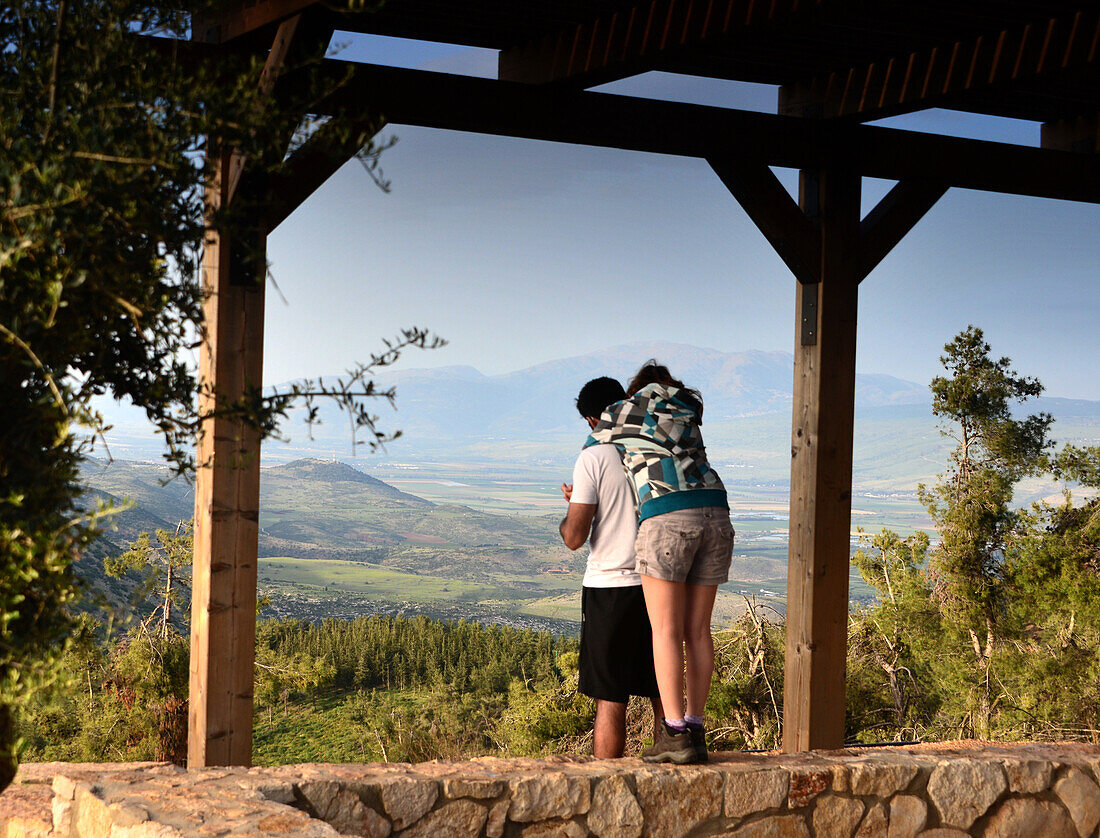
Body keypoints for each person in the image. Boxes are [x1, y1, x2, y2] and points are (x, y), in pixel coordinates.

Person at [585, 361, 734, 764]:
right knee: (698, 630)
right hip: (716, 513)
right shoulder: (687, 409)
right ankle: (696, 728)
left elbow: (594, 441)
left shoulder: (624, 409)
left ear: (635, 389)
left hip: (668, 515)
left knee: (664, 630)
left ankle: (674, 734)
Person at [559, 376, 663, 759]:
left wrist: (573, 507)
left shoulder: (593, 456)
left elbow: (574, 536)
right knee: (661, 690)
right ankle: (670, 773)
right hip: (658, 581)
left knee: (610, 696)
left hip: (610, 586)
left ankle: (607, 784)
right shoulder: (652, 450)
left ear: (590, 419)